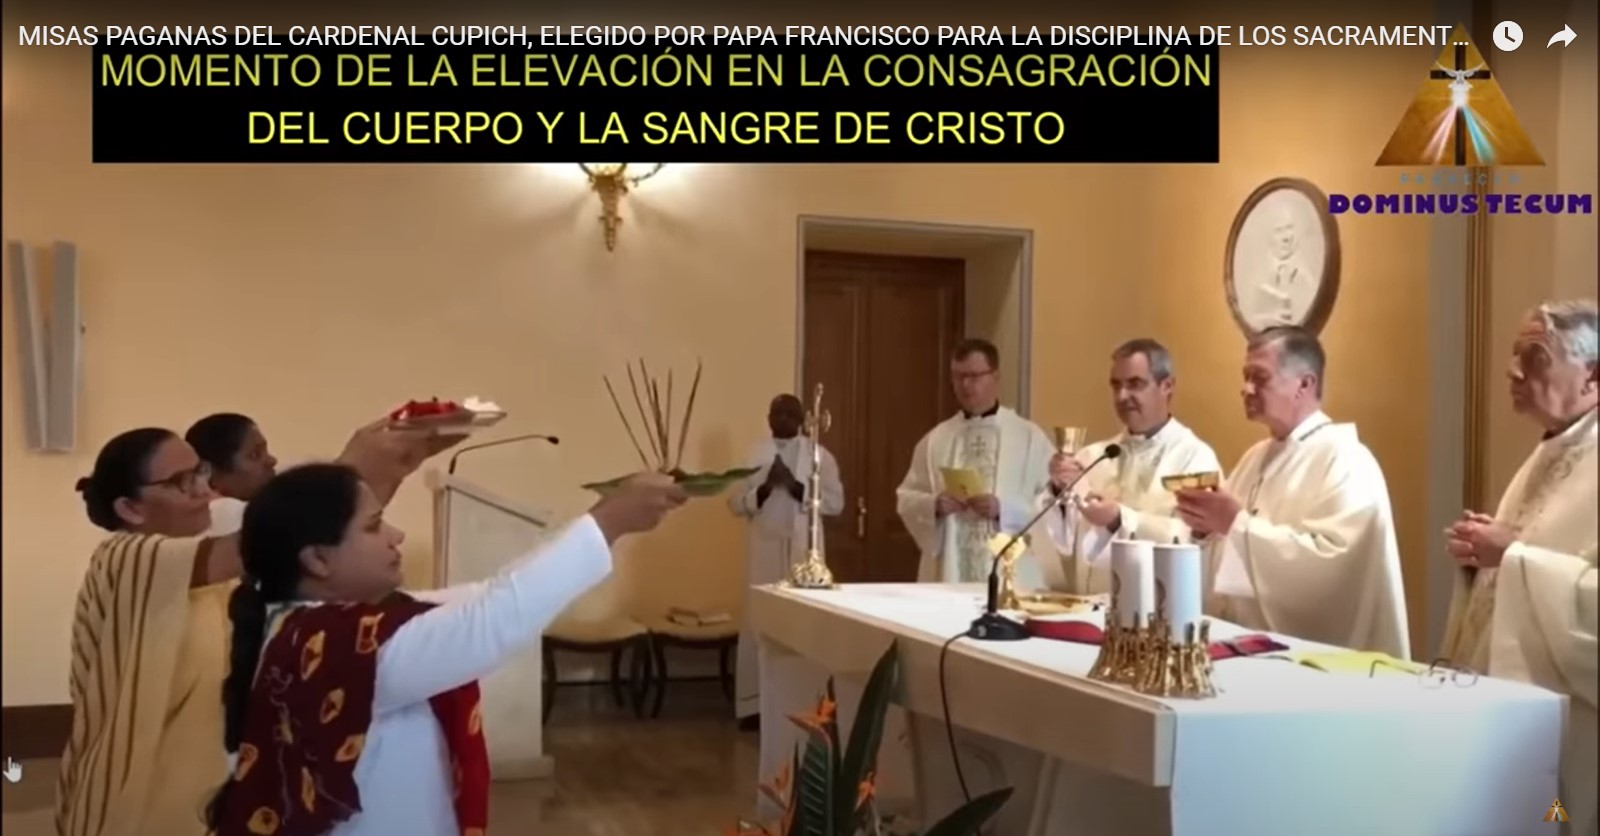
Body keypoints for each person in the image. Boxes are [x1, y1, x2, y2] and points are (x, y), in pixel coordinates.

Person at [204, 464, 687, 835]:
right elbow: (492, 621)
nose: (396, 536)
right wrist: (609, 522)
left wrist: (605, 519)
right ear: (317, 559)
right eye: (374, 526)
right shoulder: (332, 647)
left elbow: (488, 596)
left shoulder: (323, 628)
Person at [55, 421, 444, 836]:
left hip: (209, 802)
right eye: (182, 482)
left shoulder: (217, 568)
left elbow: (329, 540)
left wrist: (394, 466)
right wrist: (353, 467)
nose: (204, 490)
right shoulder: (121, 558)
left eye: (201, 472)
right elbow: (281, 534)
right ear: (130, 509)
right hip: (132, 804)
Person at [1441, 299, 1595, 836]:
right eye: (1514, 355)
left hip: (1576, 725)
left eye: (1535, 358)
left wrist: (1514, 556)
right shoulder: (1551, 450)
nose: (1513, 371)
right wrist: (1481, 561)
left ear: (1593, 375)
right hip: (1511, 713)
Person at [1176, 326, 1409, 658]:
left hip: (1320, 663)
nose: (1246, 389)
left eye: (1260, 377)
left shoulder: (1346, 459)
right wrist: (1204, 529)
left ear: (1304, 384)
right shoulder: (1254, 457)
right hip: (1244, 647)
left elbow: (1332, 567)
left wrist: (1235, 524)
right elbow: (1227, 557)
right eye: (1245, 377)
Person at [1040, 339, 1223, 591]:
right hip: (1093, 603)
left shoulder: (1195, 458)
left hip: (1157, 607)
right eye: (1116, 385)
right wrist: (1058, 491)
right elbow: (1062, 542)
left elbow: (1196, 543)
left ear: (1167, 386)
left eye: (1135, 384)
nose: (1122, 396)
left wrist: (1120, 519)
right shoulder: (1094, 456)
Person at [896, 338, 1054, 588]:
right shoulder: (936, 439)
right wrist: (934, 505)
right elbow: (906, 499)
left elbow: (1053, 506)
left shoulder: (1029, 438)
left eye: (974, 376)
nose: (965, 385)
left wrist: (1004, 509)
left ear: (995, 376)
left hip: (1010, 573)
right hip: (950, 571)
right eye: (958, 376)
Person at [728, 394, 844, 729]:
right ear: (768, 417)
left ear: (802, 419)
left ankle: (803, 703)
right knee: (759, 623)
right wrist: (765, 488)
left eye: (790, 413)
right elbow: (734, 503)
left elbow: (835, 503)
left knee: (802, 624)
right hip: (764, 550)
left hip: (803, 550)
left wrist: (793, 486)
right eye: (777, 413)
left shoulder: (820, 456)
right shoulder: (753, 455)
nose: (782, 418)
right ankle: (754, 707)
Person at [186, 412, 278, 536]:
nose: (272, 461)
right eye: (255, 455)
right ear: (208, 473)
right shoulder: (228, 514)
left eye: (265, 450)